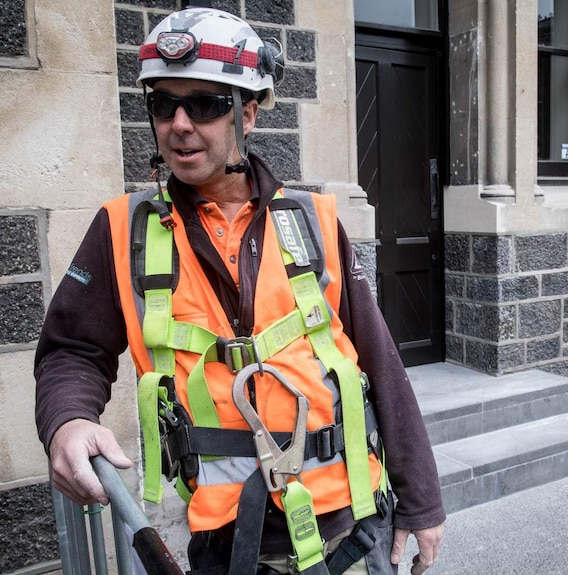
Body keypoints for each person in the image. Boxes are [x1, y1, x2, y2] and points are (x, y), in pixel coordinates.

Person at [34, 7, 445, 575]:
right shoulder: (123, 230)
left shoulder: (314, 220)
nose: (179, 123)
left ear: (247, 112)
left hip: (352, 528)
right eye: (163, 104)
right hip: (229, 546)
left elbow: (377, 357)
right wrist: (68, 420)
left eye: (202, 103)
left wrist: (421, 499)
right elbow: (71, 349)